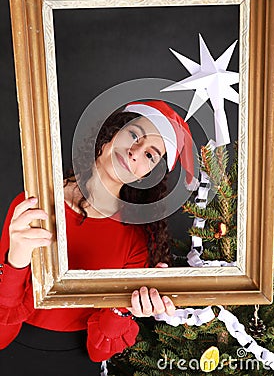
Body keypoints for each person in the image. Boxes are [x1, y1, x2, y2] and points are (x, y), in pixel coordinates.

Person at [0, 100, 199, 375]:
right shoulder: (35, 205)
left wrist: (125, 309)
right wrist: (16, 261)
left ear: (146, 176)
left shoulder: (135, 242)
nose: (134, 153)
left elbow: (98, 351)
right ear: (109, 136)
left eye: (150, 155)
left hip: (75, 365)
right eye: (133, 135)